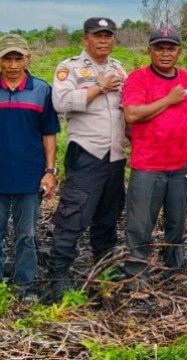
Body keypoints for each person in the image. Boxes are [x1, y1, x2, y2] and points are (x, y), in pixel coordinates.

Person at [0, 34, 60, 303]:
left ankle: (25, 287)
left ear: (28, 59)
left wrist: (50, 171)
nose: (12, 65)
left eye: (18, 58)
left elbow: (49, 134)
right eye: (6, 59)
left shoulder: (42, 90)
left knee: (27, 235)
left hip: (29, 175)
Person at [49, 17, 130, 299]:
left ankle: (104, 271)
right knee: (73, 217)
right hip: (86, 153)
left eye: (108, 35)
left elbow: (127, 109)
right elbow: (61, 102)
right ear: (85, 39)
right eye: (98, 35)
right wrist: (99, 87)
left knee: (107, 219)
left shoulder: (120, 68)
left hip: (115, 155)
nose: (103, 40)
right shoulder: (69, 68)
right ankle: (59, 275)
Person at [121, 27, 187, 285]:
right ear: (150, 51)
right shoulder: (138, 79)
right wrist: (169, 100)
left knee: (177, 222)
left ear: (179, 52)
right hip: (147, 168)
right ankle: (137, 276)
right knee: (139, 226)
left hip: (181, 166)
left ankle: (175, 270)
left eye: (171, 48)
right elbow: (133, 114)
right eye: (159, 48)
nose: (165, 53)